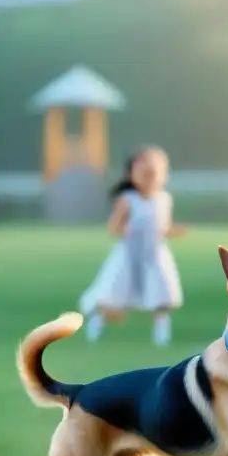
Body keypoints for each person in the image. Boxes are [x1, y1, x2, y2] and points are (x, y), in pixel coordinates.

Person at [79, 146, 186, 346]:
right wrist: (127, 231)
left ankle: (162, 333)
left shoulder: (164, 199)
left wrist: (174, 231)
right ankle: (98, 322)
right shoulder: (128, 200)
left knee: (160, 294)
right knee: (115, 296)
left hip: (154, 254)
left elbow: (163, 227)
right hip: (129, 254)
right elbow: (113, 227)